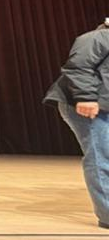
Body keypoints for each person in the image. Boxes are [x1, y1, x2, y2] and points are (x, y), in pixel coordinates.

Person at [43, 19, 109, 229]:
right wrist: (86, 97)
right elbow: (78, 68)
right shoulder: (98, 37)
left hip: (103, 104)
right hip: (86, 105)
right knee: (101, 156)